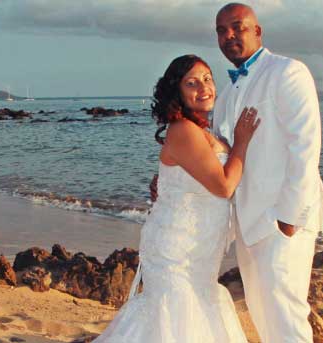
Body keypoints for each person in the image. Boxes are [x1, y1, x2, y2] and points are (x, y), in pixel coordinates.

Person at [93, 55, 259, 342]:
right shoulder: (183, 129)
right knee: (176, 318)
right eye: (191, 82)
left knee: (192, 315)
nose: (203, 87)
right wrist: (242, 142)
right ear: (178, 92)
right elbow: (223, 186)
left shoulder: (203, 131)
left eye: (207, 78)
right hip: (178, 248)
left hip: (200, 247)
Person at [212, 3, 323, 342]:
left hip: (282, 219)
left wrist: (289, 217)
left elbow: (305, 146)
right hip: (247, 222)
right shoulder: (226, 93)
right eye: (221, 30)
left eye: (237, 26)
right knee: (262, 313)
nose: (229, 34)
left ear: (258, 31)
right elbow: (219, 153)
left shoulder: (288, 72)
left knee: (286, 316)